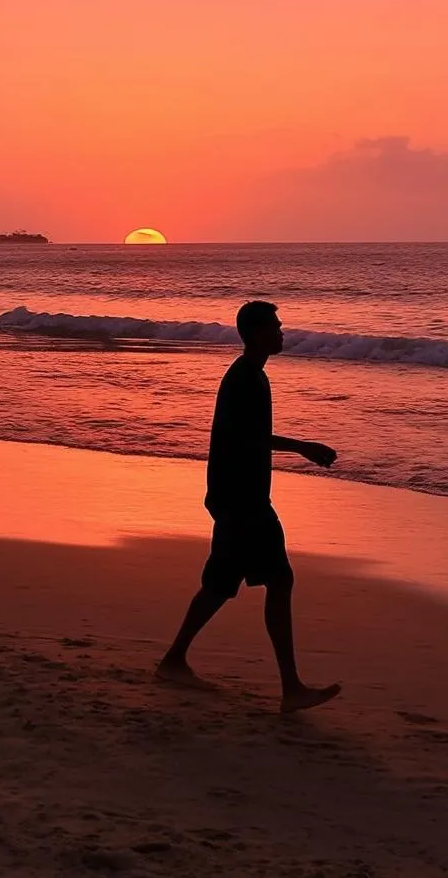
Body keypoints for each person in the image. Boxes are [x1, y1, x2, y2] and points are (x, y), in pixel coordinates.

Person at [156, 300, 342, 713]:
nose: (282, 332)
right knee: (279, 579)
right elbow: (246, 439)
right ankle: (291, 688)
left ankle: (173, 660)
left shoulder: (251, 376)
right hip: (243, 500)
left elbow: (247, 436)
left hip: (234, 495)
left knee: (220, 584)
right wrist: (304, 447)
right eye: (275, 327)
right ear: (257, 333)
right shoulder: (245, 378)